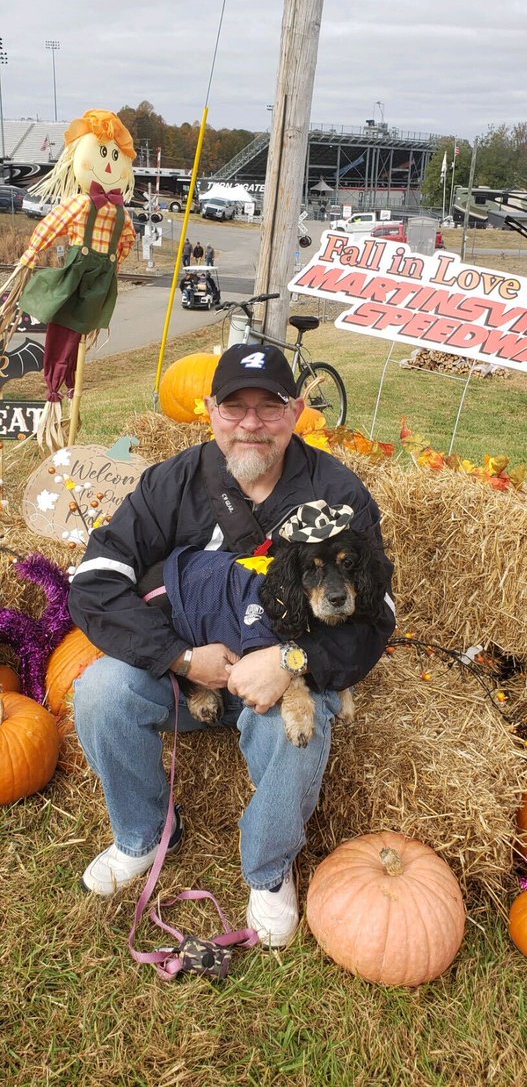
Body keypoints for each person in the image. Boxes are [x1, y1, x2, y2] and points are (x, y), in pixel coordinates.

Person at [69, 344, 395, 946]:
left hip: (279, 678)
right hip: (188, 668)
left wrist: (292, 660)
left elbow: (379, 613)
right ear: (210, 410)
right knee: (99, 692)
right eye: (234, 407)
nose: (251, 424)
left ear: (297, 410)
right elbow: (94, 582)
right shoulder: (172, 482)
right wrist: (180, 657)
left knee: (293, 725)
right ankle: (143, 835)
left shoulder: (337, 491)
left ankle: (269, 872)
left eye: (268, 408)